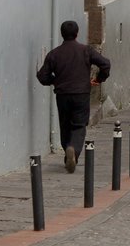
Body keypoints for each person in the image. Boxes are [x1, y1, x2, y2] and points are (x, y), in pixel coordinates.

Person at [36, 20, 111, 173]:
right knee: (79, 125)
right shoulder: (86, 50)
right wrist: (99, 78)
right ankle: (73, 150)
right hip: (81, 93)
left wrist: (56, 80)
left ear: (62, 34)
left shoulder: (54, 54)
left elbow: (42, 76)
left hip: (62, 94)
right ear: (77, 34)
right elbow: (105, 64)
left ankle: (68, 155)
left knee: (65, 125)